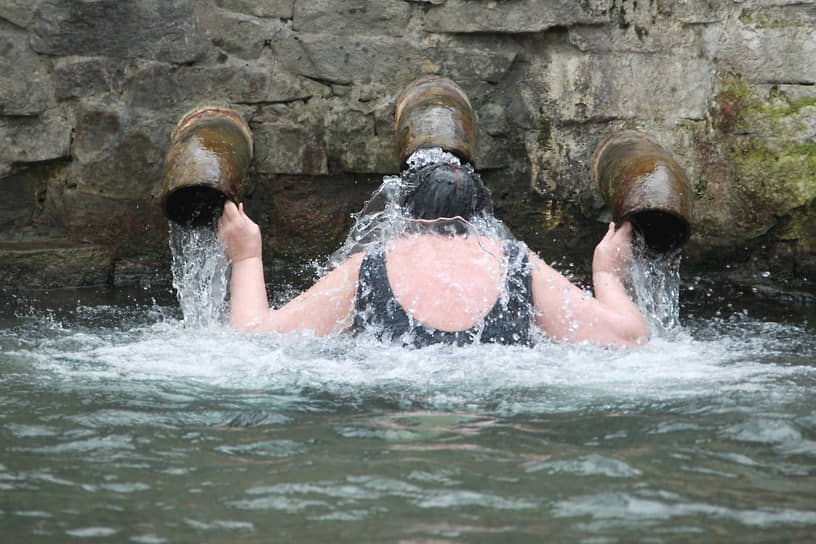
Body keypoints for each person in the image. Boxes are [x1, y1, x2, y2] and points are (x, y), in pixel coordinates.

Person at [217, 154, 648, 349]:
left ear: (403, 217)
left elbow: (254, 341)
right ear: (481, 220)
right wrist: (607, 273)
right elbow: (628, 339)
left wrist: (246, 257)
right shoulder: (517, 264)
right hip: (491, 421)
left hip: (397, 424)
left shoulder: (369, 267)